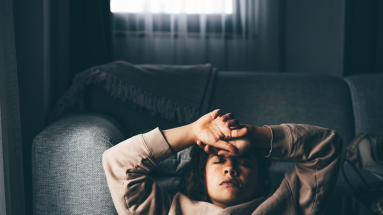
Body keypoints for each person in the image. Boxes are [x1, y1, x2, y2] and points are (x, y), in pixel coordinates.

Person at [103, 109, 342, 215]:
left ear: (260, 177)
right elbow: (117, 161)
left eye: (245, 162)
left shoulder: (287, 204)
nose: (230, 167)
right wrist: (193, 132)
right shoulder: (169, 210)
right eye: (218, 160)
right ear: (201, 175)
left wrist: (257, 136)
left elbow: (326, 148)